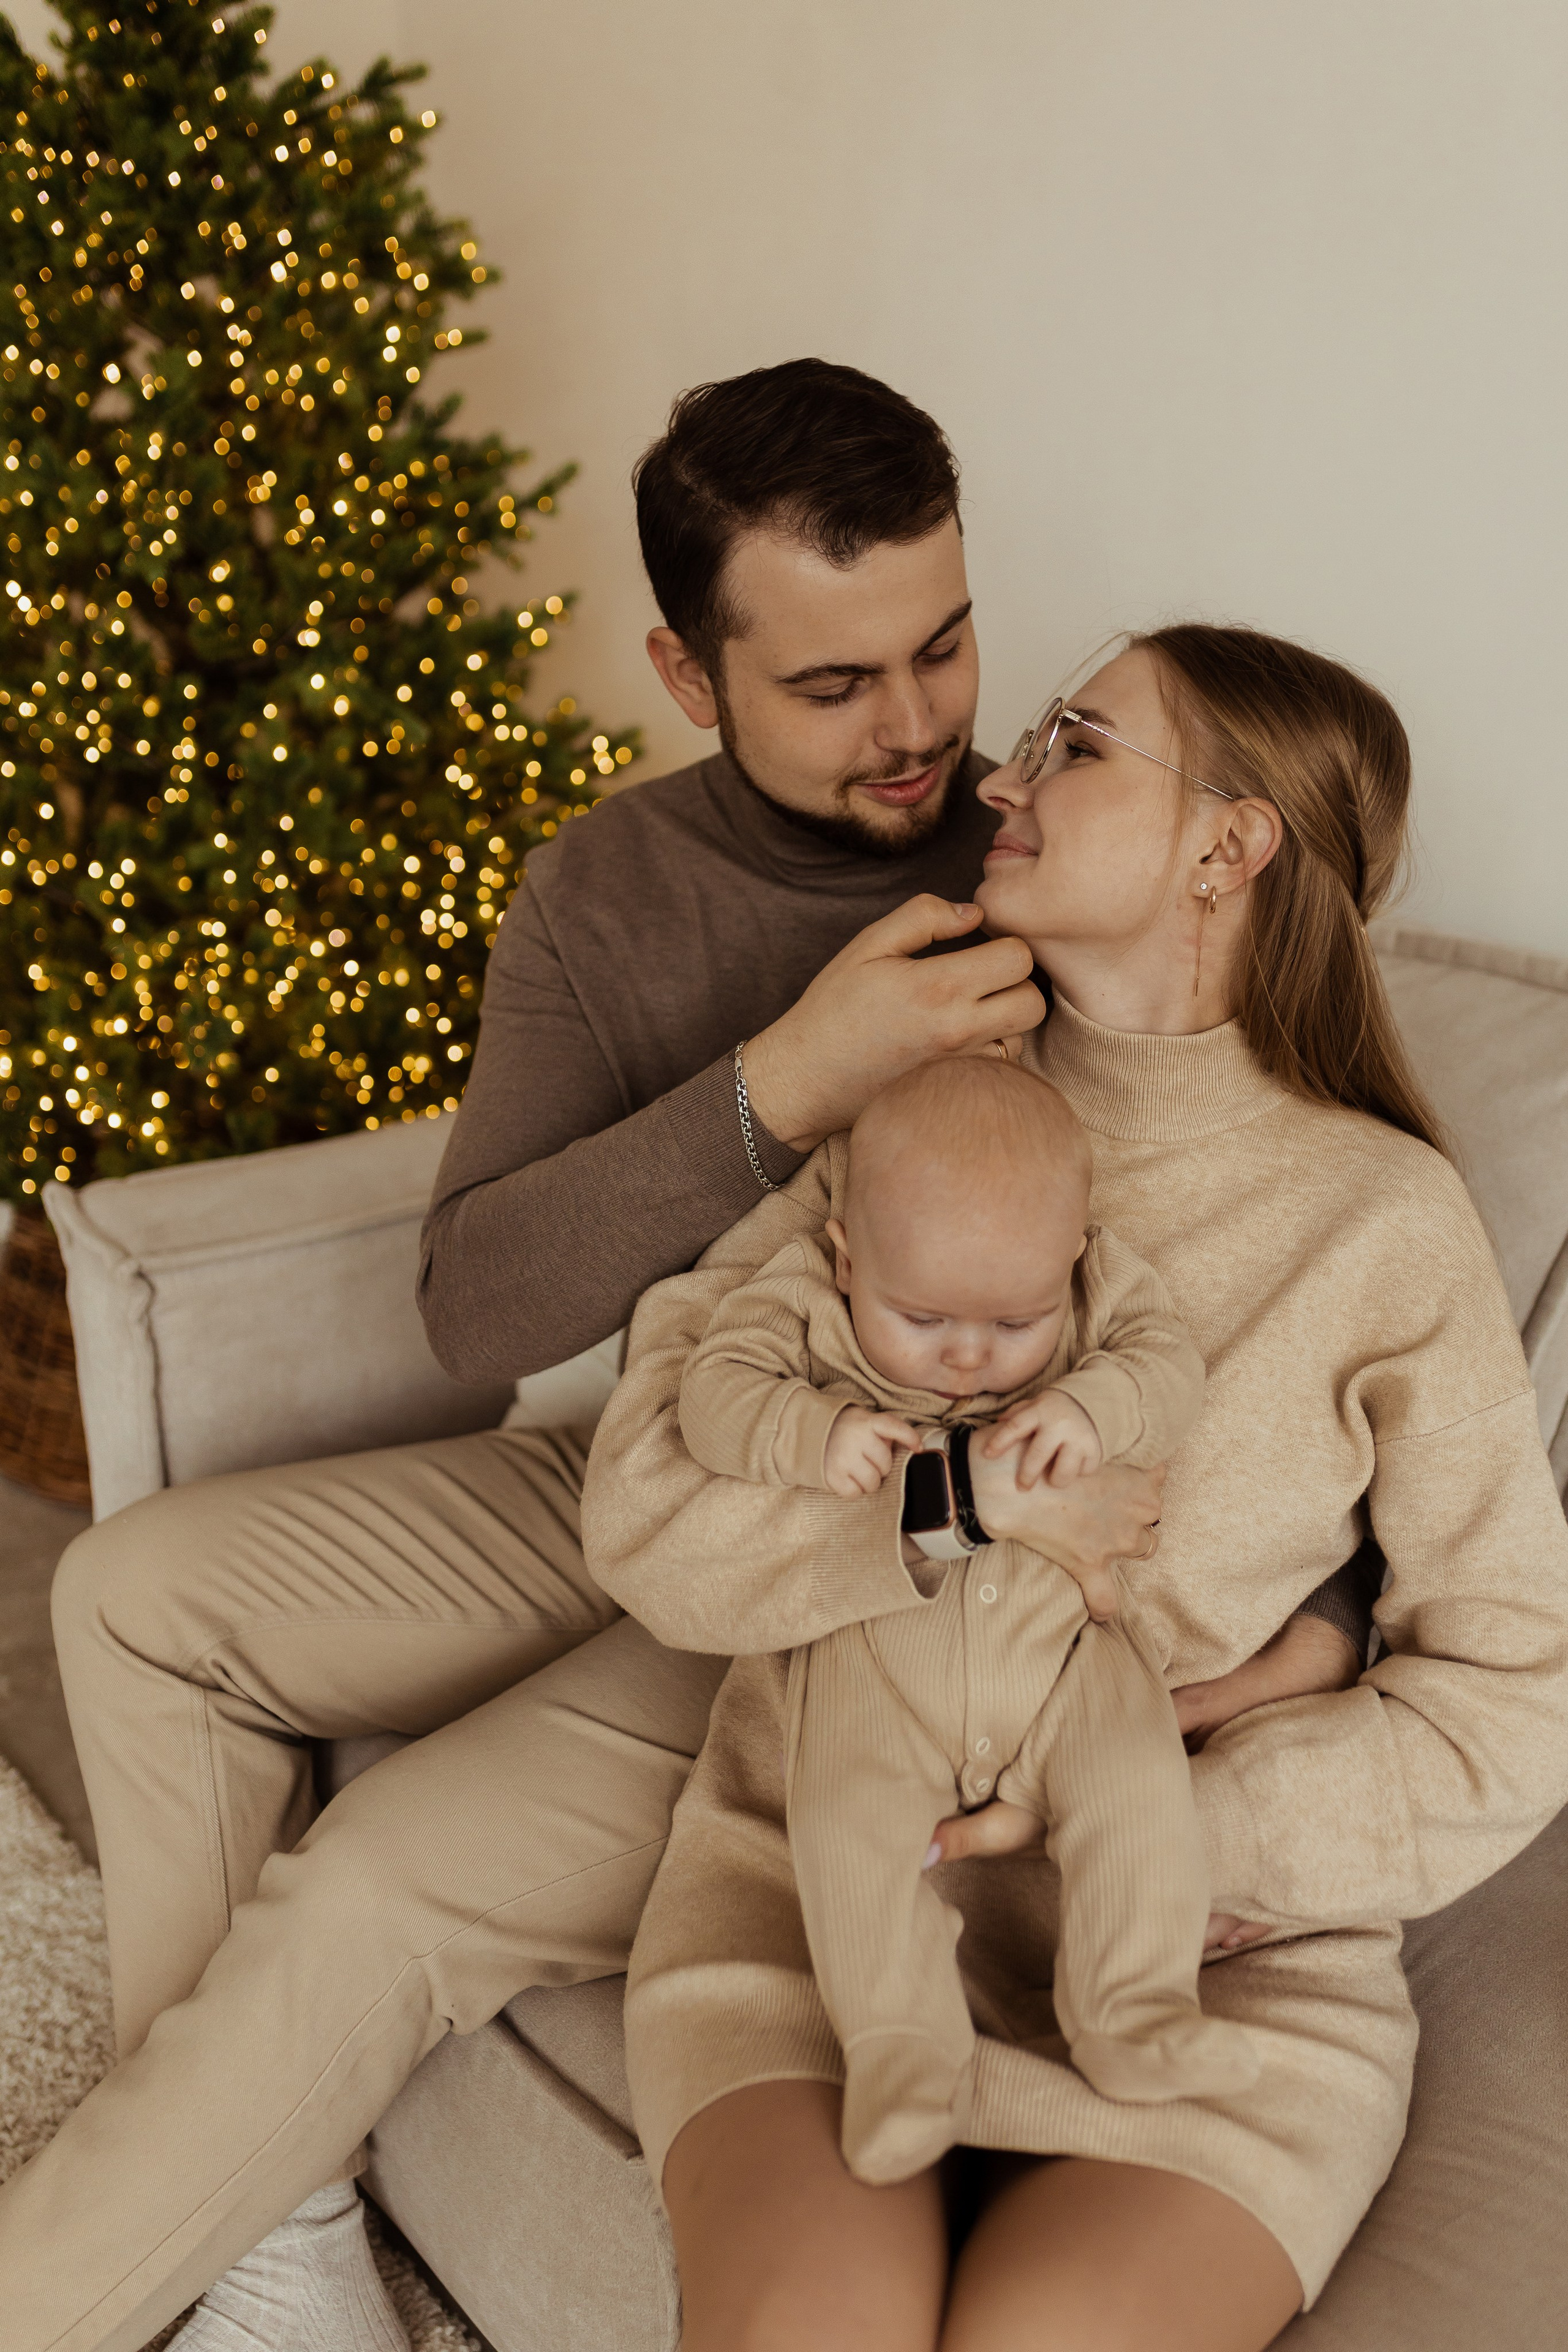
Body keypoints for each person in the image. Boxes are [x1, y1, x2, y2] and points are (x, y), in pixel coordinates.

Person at [0, 368, 1364, 2352]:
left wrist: (1311, 1627)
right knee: (126, 1594)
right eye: (832, 686)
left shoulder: (1045, 868)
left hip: (858, 1579)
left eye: (946, 645)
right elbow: (477, 1309)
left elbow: (1263, 1270)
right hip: (666, 1457)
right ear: (685, 665)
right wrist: (786, 1080)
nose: (921, 733)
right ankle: (273, 2216)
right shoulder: (611, 892)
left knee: (378, 1880)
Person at [581, 623, 1568, 2352]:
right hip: (825, 1903)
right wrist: (950, 1510)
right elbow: (649, 1510)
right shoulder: (902, 1116)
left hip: (1211, 1967)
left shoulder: (1384, 1223)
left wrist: (1169, 1835)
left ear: (1228, 842)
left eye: (1074, 744)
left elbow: (1517, 1688)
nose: (995, 778)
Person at [668, 1050, 1257, 2191]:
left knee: (1136, 1787)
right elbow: (713, 1391)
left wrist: (1096, 1399)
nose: (969, 1355)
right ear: (847, 1259)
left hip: (1066, 1650)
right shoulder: (799, 1299)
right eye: (923, 1316)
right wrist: (804, 1431)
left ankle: (1134, 2009)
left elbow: (1168, 1364)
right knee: (846, 1829)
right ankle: (900, 2051)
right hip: (877, 1656)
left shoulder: (1098, 1294)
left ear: (1073, 1263)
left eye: (1016, 1319)